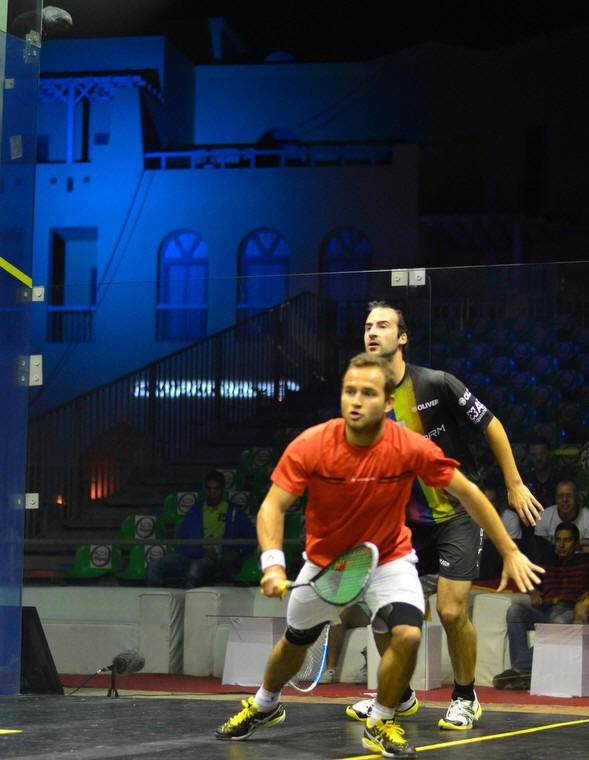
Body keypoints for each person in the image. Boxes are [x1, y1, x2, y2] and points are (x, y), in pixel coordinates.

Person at [215, 353, 543, 758]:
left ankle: (382, 719)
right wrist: (272, 564)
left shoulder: (407, 446)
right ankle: (265, 704)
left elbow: (469, 492)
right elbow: (272, 506)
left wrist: (509, 550)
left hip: (389, 557)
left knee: (408, 634)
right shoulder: (312, 444)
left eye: (368, 393)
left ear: (388, 402)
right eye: (349, 391)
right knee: (296, 640)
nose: (356, 400)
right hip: (327, 562)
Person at [347, 301, 543, 731]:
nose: (372, 332)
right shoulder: (365, 398)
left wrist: (513, 484)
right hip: (406, 522)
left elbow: (491, 424)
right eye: (367, 326)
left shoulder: (436, 383)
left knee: (452, 611)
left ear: (402, 337)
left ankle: (465, 697)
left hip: (457, 512)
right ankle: (397, 696)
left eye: (383, 325)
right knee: (382, 611)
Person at [493, 522, 589, 690]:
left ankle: (518, 671)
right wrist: (532, 592)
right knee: (515, 611)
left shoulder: (585, 562)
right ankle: (523, 672)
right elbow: (529, 583)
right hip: (545, 610)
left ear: (576, 544)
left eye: (566, 540)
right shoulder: (546, 561)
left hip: (569, 610)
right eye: (558, 540)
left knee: (558, 621)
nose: (561, 545)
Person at [146, 470, 256, 588]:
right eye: (209, 489)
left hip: (215, 560)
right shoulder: (194, 511)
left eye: (216, 489)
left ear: (222, 490)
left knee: (195, 569)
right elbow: (180, 542)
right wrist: (201, 551)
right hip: (188, 557)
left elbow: (252, 536)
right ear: (204, 489)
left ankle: (188, 600)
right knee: (154, 566)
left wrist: (237, 552)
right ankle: (156, 599)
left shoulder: (234, 511)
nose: (212, 492)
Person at [318, 602, 371, 684]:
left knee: (380, 610)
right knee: (340, 615)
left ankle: (368, 667)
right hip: (363, 607)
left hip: (383, 604)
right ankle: (330, 669)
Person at [521, 436, 562, 509]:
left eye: (542, 453)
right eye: (534, 455)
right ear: (529, 457)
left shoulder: (560, 479)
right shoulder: (524, 481)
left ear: (549, 454)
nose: (538, 458)